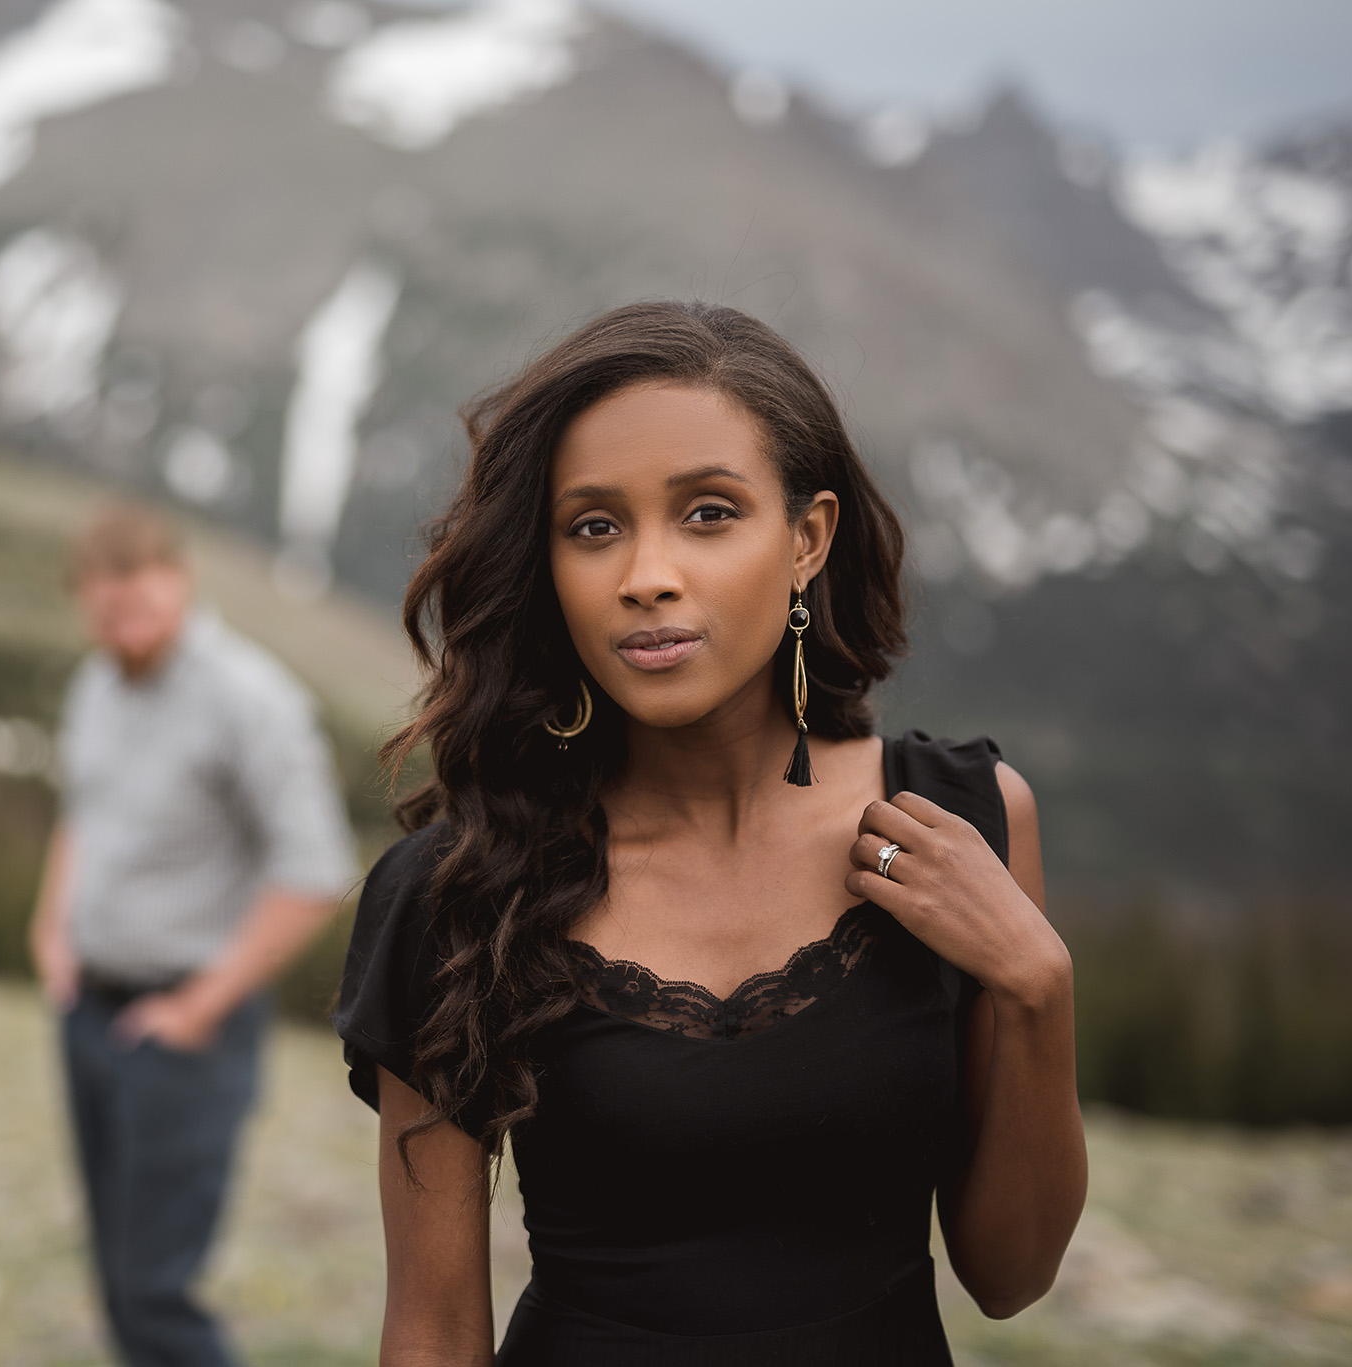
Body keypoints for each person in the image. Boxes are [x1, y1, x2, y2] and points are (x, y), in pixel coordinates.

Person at [335, 301, 1087, 1364]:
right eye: (593, 525)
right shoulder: (461, 886)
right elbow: (431, 1330)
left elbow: (1008, 1275)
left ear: (806, 539)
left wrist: (1034, 984)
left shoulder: (958, 822)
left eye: (707, 513)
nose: (646, 573)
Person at [29, 502, 356, 1367]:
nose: (120, 623)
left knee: (156, 1292)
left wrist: (200, 1005)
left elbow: (315, 869)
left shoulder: (251, 699)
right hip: (86, 1008)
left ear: (179, 582)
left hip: (184, 1032)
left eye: (137, 602)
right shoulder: (93, 682)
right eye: (103, 607)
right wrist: (51, 928)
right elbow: (83, 813)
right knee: (115, 1284)